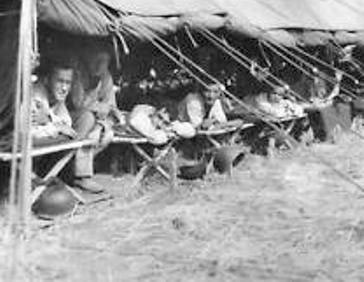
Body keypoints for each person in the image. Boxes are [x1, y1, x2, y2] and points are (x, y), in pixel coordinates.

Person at [69, 49, 119, 193]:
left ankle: (72, 167)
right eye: (96, 61)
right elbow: (77, 103)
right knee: (87, 117)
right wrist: (98, 108)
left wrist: (100, 127)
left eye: (104, 63)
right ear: (88, 59)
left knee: (106, 134)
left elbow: (111, 107)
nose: (99, 66)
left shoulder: (106, 77)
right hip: (73, 119)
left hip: (94, 121)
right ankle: (81, 175)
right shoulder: (78, 74)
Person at [31, 62, 77, 142]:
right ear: (47, 80)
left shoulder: (58, 98)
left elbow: (67, 124)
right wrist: (56, 128)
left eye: (68, 83)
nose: (64, 88)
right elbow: (30, 134)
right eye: (60, 81)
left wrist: (49, 120)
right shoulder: (35, 96)